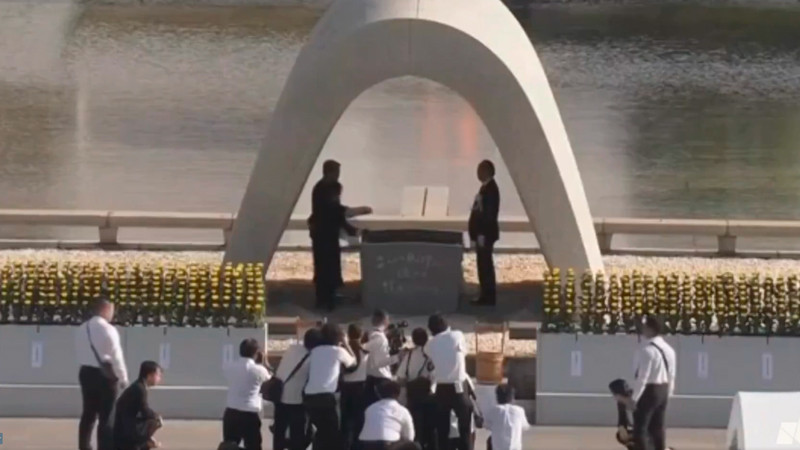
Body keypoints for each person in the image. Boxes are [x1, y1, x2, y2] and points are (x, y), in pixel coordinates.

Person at [308, 160, 372, 311]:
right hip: (323, 232)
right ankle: (325, 299)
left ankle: (326, 298)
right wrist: (355, 219)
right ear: (329, 172)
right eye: (336, 172)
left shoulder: (324, 187)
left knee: (328, 265)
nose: (338, 175)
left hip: (326, 231)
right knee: (325, 265)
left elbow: (335, 211)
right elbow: (333, 210)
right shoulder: (323, 189)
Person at [75, 297, 129, 450]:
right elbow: (116, 356)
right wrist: (123, 377)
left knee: (88, 414)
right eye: (111, 310)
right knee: (107, 416)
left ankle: (84, 446)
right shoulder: (108, 329)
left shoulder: (82, 328)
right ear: (105, 309)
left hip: (85, 372)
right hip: (105, 375)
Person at [304, 323, 358, 450]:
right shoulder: (338, 351)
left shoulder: (315, 351)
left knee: (321, 431)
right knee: (332, 433)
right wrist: (346, 344)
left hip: (309, 396)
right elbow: (353, 363)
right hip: (326, 397)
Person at [425, 314, 473, 450]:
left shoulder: (430, 344)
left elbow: (429, 356)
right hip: (459, 387)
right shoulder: (457, 335)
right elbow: (464, 352)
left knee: (442, 431)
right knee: (465, 429)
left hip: (441, 389)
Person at [631, 316, 677, 450]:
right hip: (663, 389)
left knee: (640, 429)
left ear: (651, 329)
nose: (642, 329)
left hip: (649, 391)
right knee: (658, 428)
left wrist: (634, 398)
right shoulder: (669, 349)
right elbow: (672, 374)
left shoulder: (647, 350)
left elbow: (642, 377)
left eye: (645, 326)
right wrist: (669, 393)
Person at [272, 328, 321, 450]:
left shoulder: (292, 348)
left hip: (280, 396)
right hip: (297, 401)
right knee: (297, 435)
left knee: (279, 432)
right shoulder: (312, 357)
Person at [222, 338, 271, 450]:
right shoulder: (260, 370)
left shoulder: (229, 366)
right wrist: (264, 364)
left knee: (229, 445)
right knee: (253, 446)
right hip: (250, 413)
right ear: (256, 353)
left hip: (231, 411)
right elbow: (269, 381)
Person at [468, 159, 500, 306]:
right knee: (482, 264)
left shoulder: (491, 190)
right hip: (482, 235)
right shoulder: (485, 188)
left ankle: (488, 296)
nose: (478, 173)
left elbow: (489, 215)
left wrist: (481, 234)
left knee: (485, 265)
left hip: (485, 235)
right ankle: (485, 294)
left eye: (480, 170)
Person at [396, 328, 434, 450]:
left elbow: (400, 378)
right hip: (430, 396)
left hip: (413, 397)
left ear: (413, 340)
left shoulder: (410, 355)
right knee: (431, 430)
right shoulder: (432, 354)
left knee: (417, 430)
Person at [113, 361, 163, 450]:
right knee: (155, 421)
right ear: (150, 375)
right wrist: (157, 416)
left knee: (151, 419)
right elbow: (145, 411)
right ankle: (143, 444)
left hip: (123, 425)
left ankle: (144, 442)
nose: (160, 378)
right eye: (158, 375)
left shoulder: (138, 386)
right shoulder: (140, 389)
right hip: (124, 428)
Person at [359, 380, 421, 450]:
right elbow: (409, 436)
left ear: (379, 394)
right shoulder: (402, 410)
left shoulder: (370, 408)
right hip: (389, 443)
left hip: (367, 442)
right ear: (398, 394)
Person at [341, 324, 370, 450]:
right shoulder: (364, 350)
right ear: (361, 334)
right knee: (359, 418)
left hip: (346, 386)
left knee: (345, 418)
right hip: (360, 386)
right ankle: (358, 445)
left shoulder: (344, 348)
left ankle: (345, 444)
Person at [364, 309, 398, 407]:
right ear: (385, 321)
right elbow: (379, 363)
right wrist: (397, 357)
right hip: (381, 379)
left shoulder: (368, 335)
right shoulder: (380, 338)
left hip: (369, 378)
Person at [483, 384, 530, 450]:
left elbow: (486, 425)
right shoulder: (519, 410)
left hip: (498, 448)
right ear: (513, 398)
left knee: (489, 440)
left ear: (497, 398)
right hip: (515, 448)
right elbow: (525, 426)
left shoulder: (494, 410)